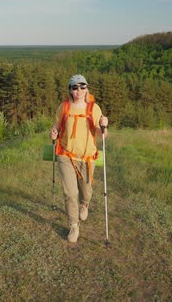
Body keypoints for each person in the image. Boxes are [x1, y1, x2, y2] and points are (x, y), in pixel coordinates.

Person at [49, 74, 109, 243]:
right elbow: (56, 125)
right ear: (70, 90)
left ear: (86, 88)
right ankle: (73, 225)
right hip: (66, 154)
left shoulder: (93, 108)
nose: (79, 90)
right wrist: (53, 132)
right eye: (75, 87)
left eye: (82, 86)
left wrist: (104, 126)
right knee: (70, 192)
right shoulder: (64, 107)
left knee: (86, 190)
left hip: (87, 157)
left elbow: (100, 133)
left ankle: (84, 204)